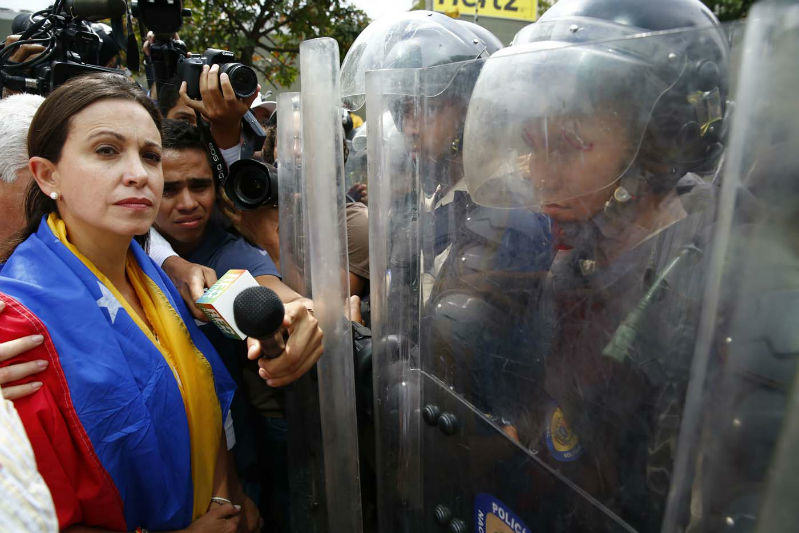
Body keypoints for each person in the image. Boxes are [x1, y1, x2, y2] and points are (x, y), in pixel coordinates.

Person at [460, 0, 729, 528]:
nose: (540, 174)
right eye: (530, 146)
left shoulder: (711, 278)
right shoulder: (590, 251)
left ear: (659, 143)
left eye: (568, 145)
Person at [0, 72, 252, 532]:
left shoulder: (153, 273)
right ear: (47, 174)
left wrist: (221, 498)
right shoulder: (17, 322)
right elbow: (32, 512)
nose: (138, 173)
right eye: (106, 150)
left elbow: (203, 395)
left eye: (150, 155)